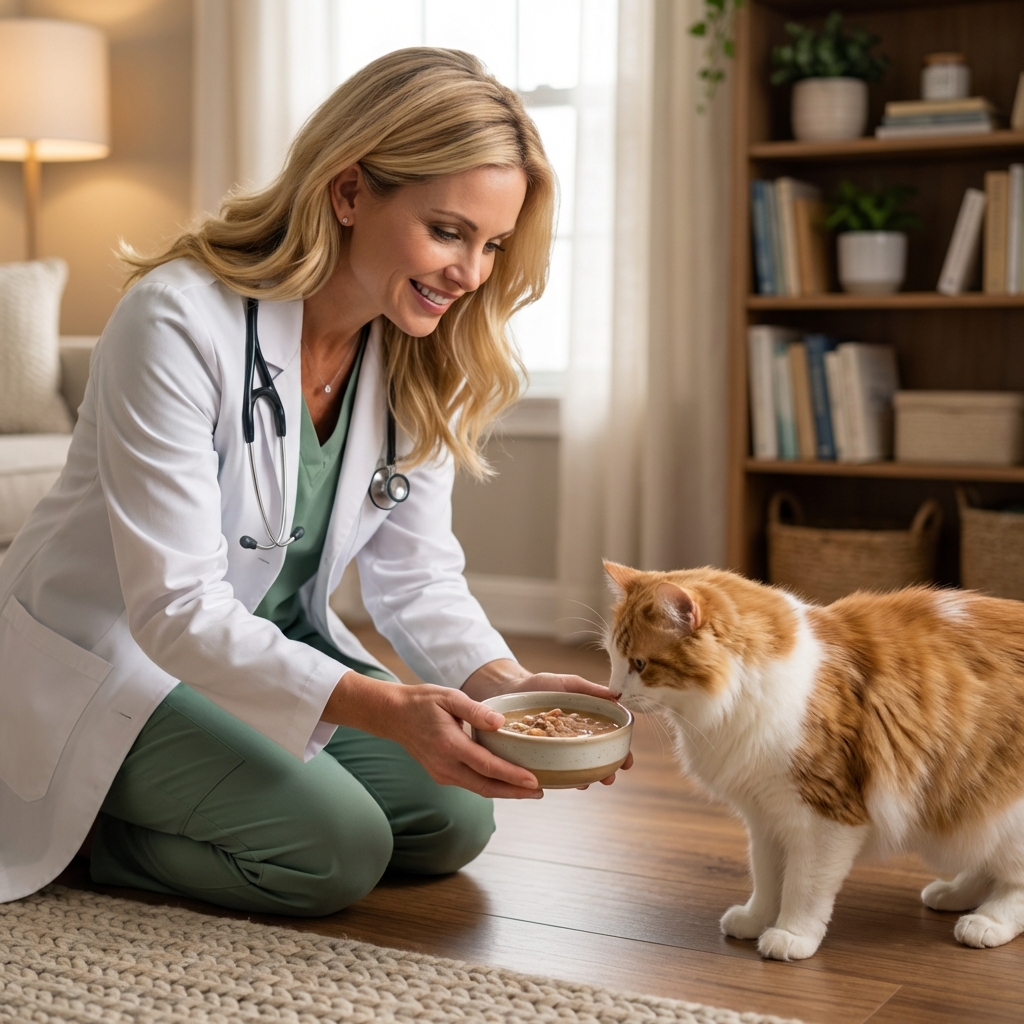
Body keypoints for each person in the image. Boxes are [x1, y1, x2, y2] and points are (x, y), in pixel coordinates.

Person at [0, 48, 629, 914]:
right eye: (447, 232)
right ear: (348, 193)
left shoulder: (415, 352)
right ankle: (81, 831)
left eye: (491, 245)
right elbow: (176, 609)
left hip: (270, 650)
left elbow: (418, 576)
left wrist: (502, 688)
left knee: (454, 820)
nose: (471, 274)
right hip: (124, 657)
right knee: (338, 851)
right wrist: (387, 707)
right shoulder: (179, 319)